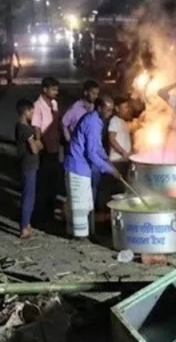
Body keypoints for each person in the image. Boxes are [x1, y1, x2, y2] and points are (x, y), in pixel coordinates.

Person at [63, 96, 123, 239]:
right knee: (80, 204)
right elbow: (91, 153)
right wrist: (110, 170)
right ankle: (80, 236)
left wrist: (106, 159)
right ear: (99, 108)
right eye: (107, 109)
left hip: (82, 167)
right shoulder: (92, 122)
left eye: (111, 109)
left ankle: (79, 232)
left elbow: (97, 147)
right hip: (77, 167)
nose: (110, 112)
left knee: (85, 202)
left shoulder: (96, 120)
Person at [31, 77, 61, 224]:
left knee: (54, 181)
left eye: (56, 89)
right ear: (45, 90)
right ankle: (41, 214)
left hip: (55, 146)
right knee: (43, 181)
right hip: (45, 147)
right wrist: (38, 141)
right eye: (53, 89)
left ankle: (51, 211)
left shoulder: (54, 103)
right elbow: (36, 126)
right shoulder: (37, 105)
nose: (56, 92)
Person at [15, 99, 42, 239]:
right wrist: (37, 141)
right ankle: (24, 227)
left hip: (27, 165)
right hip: (28, 166)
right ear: (25, 112)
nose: (33, 114)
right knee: (28, 196)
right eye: (31, 111)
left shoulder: (21, 127)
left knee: (29, 195)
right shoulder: (25, 129)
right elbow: (35, 149)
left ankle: (27, 224)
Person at [61, 79, 99, 145]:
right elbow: (64, 123)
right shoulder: (75, 108)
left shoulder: (95, 108)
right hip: (77, 144)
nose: (96, 96)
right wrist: (69, 140)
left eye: (97, 94)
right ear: (85, 92)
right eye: (93, 93)